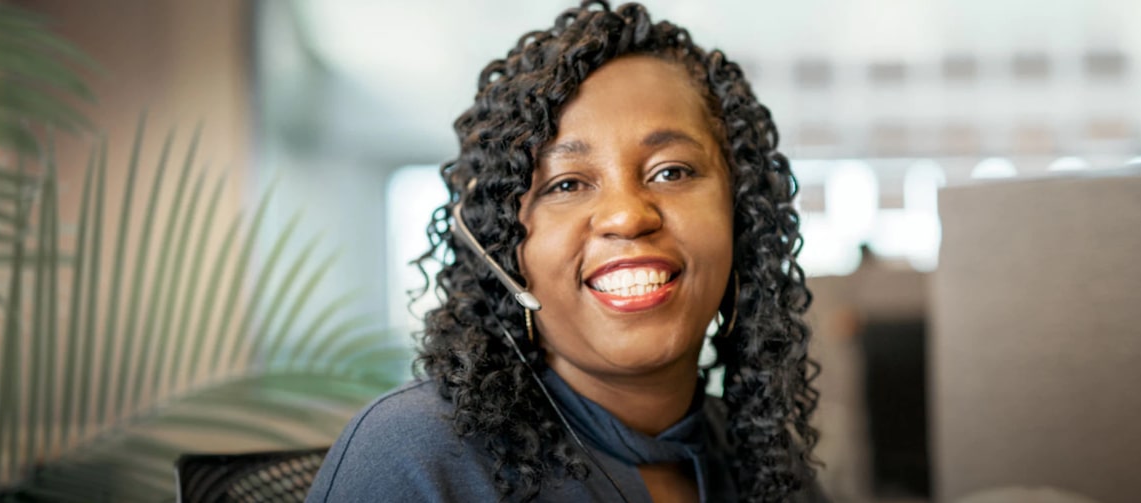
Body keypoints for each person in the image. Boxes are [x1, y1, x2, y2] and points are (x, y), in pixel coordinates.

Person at [307, 1, 823, 501]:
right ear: (503, 252)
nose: (628, 216)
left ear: (741, 216)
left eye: (672, 172)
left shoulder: (763, 459)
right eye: (567, 183)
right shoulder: (417, 457)